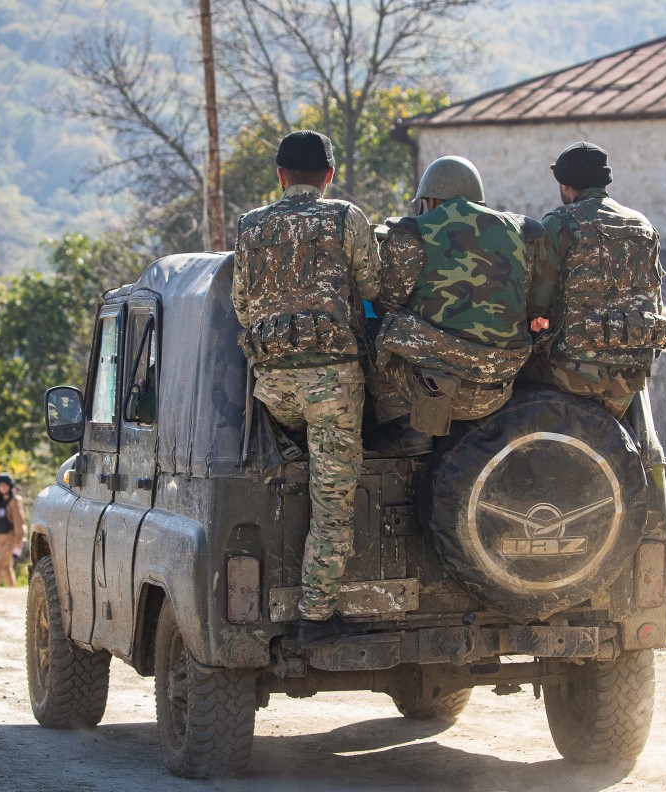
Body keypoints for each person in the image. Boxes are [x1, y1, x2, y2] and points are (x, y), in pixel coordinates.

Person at [231, 129, 379, 643]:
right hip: (332, 389)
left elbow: (243, 306)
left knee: (299, 475)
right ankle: (317, 616)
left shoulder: (251, 226)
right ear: (329, 177)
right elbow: (374, 287)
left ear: (280, 175)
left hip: (272, 388)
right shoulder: (344, 218)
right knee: (332, 501)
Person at [368, 155, 542, 449]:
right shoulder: (519, 233)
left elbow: (388, 303)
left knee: (379, 333)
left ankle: (409, 434)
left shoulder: (411, 234)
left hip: (434, 388)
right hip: (499, 385)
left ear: (431, 200)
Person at [525, 141, 666, 418]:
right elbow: (656, 302)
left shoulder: (559, 222)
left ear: (565, 185)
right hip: (631, 377)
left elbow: (536, 302)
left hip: (570, 371)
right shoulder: (642, 225)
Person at [0, 472, 25, 588]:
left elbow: (19, 521)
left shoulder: (14, 500)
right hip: (2, 538)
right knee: (6, 566)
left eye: (5, 485)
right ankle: (12, 590)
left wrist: (19, 540)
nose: (3, 487)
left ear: (10, 486)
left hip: (12, 537)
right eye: (0, 485)